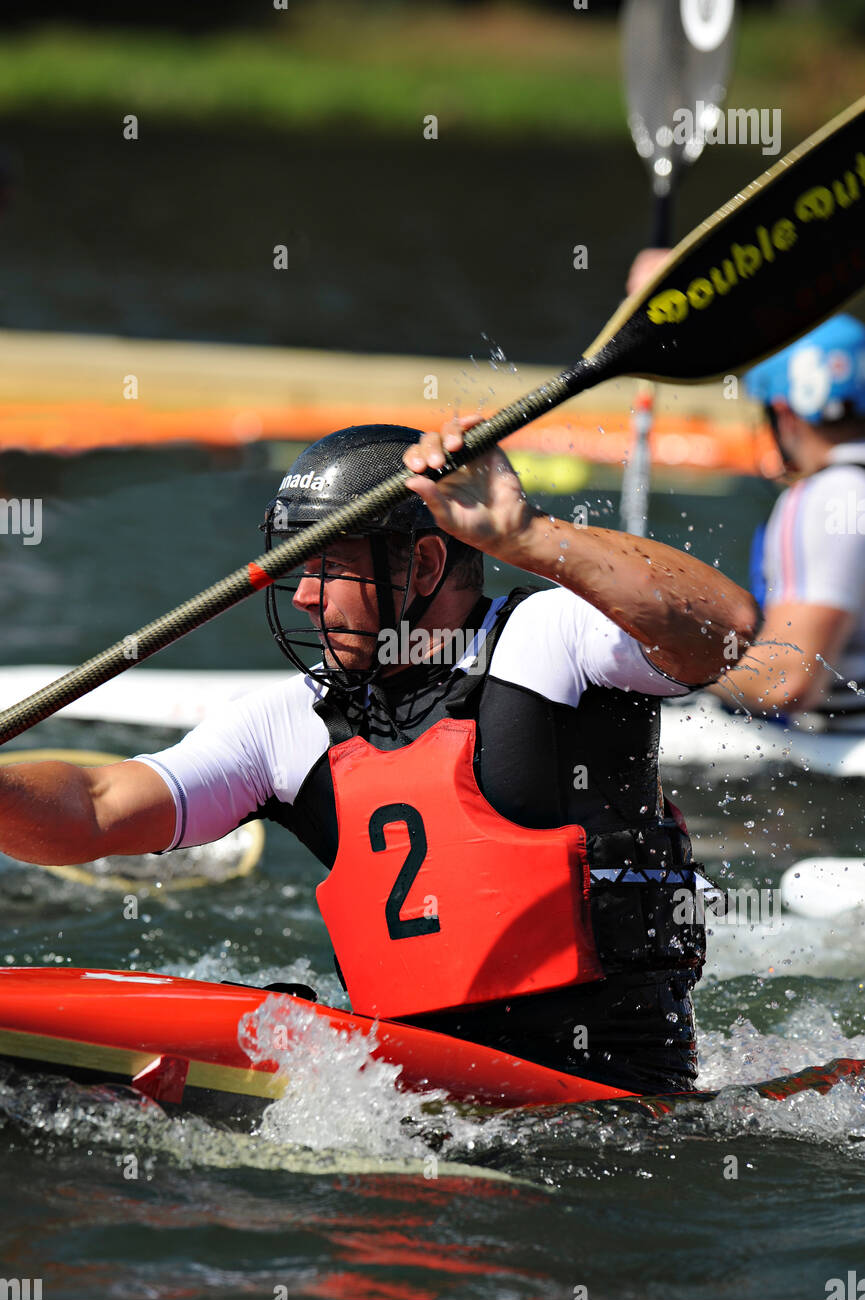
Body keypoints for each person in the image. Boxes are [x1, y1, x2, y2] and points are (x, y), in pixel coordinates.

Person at [0, 419, 757, 1094]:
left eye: (328, 564)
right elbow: (91, 811)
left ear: (423, 568)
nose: (303, 596)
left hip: (616, 1101)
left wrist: (525, 533)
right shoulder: (285, 723)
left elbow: (724, 628)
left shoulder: (551, 639)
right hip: (402, 1097)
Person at [706, 314, 865, 724]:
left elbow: (787, 682)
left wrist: (663, 665)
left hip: (834, 763)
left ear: (784, 413)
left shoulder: (831, 494)